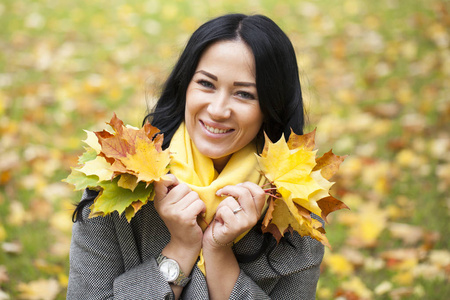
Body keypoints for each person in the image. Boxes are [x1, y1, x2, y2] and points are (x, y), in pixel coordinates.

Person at [67, 13, 324, 300]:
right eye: (206, 84)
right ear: (184, 86)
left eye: (244, 95)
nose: (218, 109)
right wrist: (180, 250)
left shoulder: (294, 210)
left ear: (271, 107)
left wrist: (218, 253)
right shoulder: (119, 177)